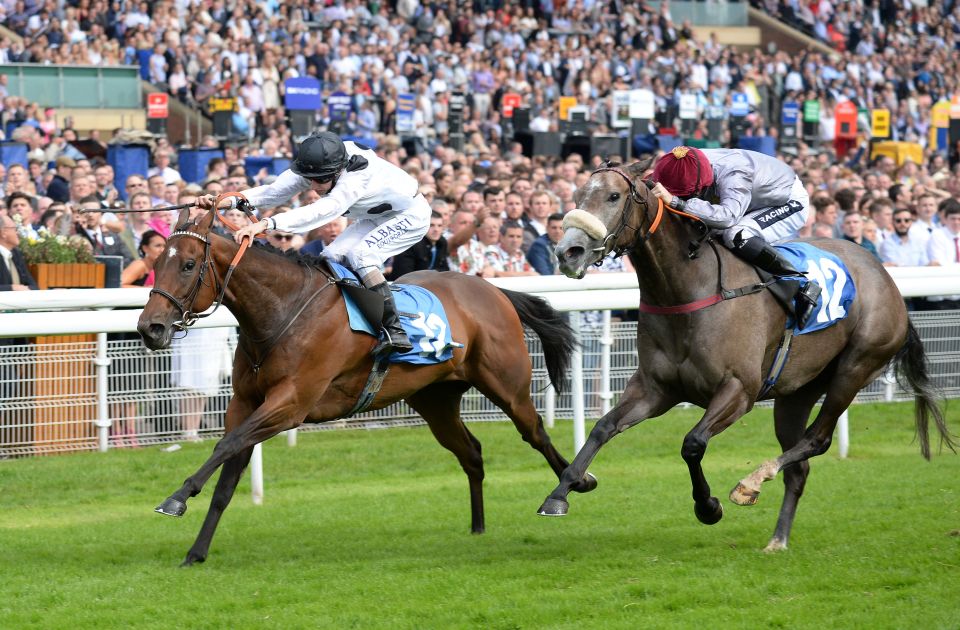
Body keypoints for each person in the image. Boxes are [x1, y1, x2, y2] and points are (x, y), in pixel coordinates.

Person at [199, 131, 431, 355]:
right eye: (309, 179)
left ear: (339, 171)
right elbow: (273, 192)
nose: (313, 186)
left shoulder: (356, 176)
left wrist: (266, 224)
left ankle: (394, 329)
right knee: (330, 257)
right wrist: (223, 202)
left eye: (321, 180)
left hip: (409, 215)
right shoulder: (316, 163)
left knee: (362, 256)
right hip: (374, 216)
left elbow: (323, 211)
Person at [650, 146, 821, 328]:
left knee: (737, 235)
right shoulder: (682, 162)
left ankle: (801, 285)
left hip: (787, 200)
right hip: (751, 196)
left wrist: (677, 202)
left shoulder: (734, 173)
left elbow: (728, 218)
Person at [387, 211, 449, 279]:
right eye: (431, 225)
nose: (436, 229)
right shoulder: (412, 244)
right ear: (423, 226)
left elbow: (445, 270)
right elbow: (404, 276)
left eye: (439, 225)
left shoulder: (442, 242)